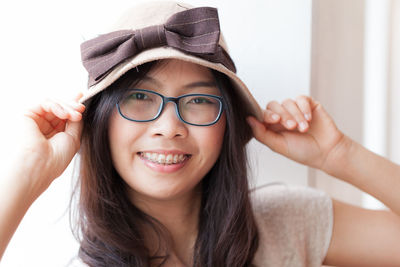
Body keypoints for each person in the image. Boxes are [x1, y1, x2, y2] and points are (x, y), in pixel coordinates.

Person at [1, 1, 400, 266]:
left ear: (228, 122)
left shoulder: (287, 221)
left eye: (197, 101)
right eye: (140, 96)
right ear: (99, 120)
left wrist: (340, 155)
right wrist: (26, 174)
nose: (170, 128)